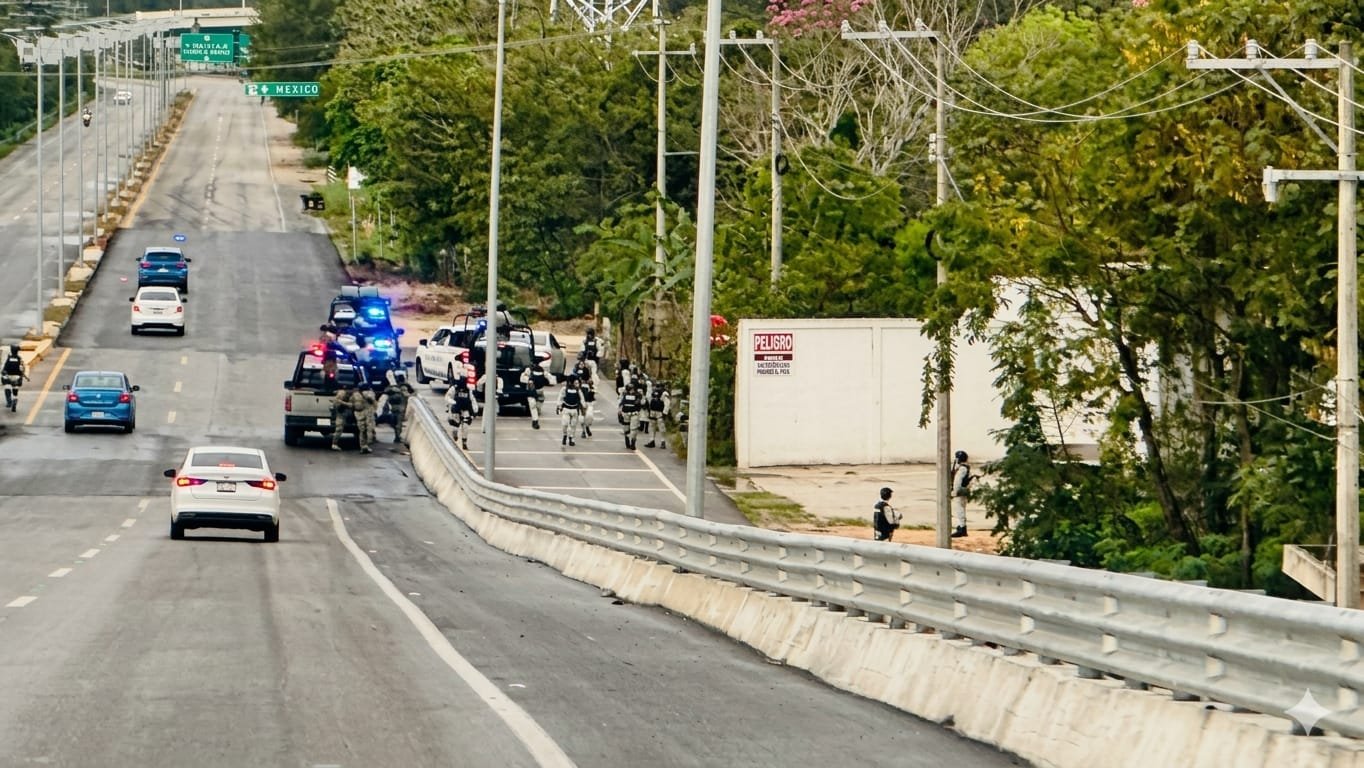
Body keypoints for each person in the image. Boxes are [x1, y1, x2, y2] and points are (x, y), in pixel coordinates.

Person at [381, 373, 415, 443]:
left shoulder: (393, 387)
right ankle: (398, 437)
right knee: (399, 423)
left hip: (393, 408)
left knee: (394, 422)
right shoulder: (405, 386)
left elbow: (385, 391)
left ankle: (396, 434)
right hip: (401, 408)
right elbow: (412, 393)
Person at [446, 377, 476, 450]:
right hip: (456, 409)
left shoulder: (468, 390)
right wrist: (453, 402)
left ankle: (464, 443)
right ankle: (455, 433)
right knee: (455, 425)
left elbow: (472, 400)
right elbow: (447, 397)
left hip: (466, 409)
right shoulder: (454, 388)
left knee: (465, 426)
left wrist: (474, 410)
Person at [557, 374, 585, 447]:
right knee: (565, 424)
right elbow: (560, 398)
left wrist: (583, 406)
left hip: (575, 410)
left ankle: (571, 438)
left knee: (573, 425)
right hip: (566, 409)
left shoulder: (578, 390)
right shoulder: (564, 389)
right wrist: (559, 406)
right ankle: (565, 435)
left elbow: (582, 399)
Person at [951, 450, 974, 538]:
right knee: (961, 509)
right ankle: (961, 526)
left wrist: (954, 492)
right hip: (963, 491)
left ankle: (962, 528)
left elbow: (957, 482)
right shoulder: (965, 467)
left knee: (960, 510)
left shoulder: (962, 469)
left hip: (960, 492)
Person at [520, 363, 550, 429]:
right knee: (533, 406)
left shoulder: (543, 371)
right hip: (531, 391)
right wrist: (529, 380)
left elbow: (551, 379)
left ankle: (536, 417)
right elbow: (522, 378)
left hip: (540, 391)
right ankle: (535, 421)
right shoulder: (528, 371)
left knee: (538, 407)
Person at [3, 344, 28, 413]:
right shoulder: (19, 359)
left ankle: (9, 402)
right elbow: (22, 369)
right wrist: (21, 376)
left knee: (7, 387)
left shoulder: (9, 358)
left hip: (8, 376)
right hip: (17, 377)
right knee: (15, 389)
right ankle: (15, 399)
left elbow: (5, 368)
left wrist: (3, 372)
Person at [618, 379, 643, 450]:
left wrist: (639, 399)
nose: (630, 390)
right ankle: (627, 442)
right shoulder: (624, 394)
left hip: (634, 413)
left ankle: (633, 443)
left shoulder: (638, 395)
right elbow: (621, 403)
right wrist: (619, 411)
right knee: (626, 428)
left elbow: (641, 403)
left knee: (634, 429)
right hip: (626, 413)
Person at [354, 384, 379, 454]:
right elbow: (373, 402)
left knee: (362, 430)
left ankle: (363, 446)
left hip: (359, 414)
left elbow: (353, 403)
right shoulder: (370, 393)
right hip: (368, 413)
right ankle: (367, 444)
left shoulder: (356, 394)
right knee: (369, 429)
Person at [644, 381, 669, 449]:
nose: (658, 388)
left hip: (660, 412)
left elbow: (667, 403)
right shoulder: (653, 392)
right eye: (657, 386)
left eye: (659, 386)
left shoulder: (664, 393)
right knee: (652, 427)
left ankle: (663, 441)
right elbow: (649, 399)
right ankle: (652, 440)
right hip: (653, 412)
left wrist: (665, 413)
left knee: (661, 427)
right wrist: (648, 410)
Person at [329, 385, 353, 451]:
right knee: (339, 429)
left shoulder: (350, 395)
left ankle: (334, 443)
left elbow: (351, 405)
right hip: (341, 413)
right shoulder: (341, 393)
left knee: (339, 428)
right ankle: (334, 444)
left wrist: (341, 402)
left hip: (346, 413)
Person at [579, 372, 595, 438]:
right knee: (582, 418)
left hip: (589, 403)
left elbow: (592, 398)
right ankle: (583, 431)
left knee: (588, 417)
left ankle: (587, 427)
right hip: (582, 403)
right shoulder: (580, 387)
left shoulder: (591, 387)